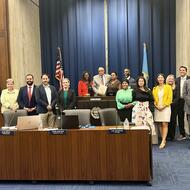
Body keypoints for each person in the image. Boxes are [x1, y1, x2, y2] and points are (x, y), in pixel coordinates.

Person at [152, 73, 172, 149]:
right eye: (159, 78)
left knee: (164, 123)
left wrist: (163, 106)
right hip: (157, 108)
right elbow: (153, 99)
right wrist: (157, 106)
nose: (160, 79)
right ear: (157, 79)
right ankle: (163, 139)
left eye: (161, 78)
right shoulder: (155, 88)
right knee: (160, 123)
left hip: (166, 107)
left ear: (164, 79)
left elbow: (170, 98)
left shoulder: (168, 87)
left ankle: (163, 140)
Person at [176, 66, 190, 140]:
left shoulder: (189, 79)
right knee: (180, 118)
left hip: (188, 101)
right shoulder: (177, 80)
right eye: (180, 70)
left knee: (188, 118)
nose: (182, 71)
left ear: (186, 71)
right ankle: (182, 134)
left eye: (183, 70)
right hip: (180, 101)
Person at [166, 74, 179, 141]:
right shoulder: (165, 87)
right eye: (169, 79)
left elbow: (177, 97)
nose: (171, 80)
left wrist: (171, 103)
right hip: (166, 107)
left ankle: (172, 136)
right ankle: (166, 135)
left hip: (174, 106)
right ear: (167, 80)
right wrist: (167, 103)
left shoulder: (176, 87)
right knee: (166, 121)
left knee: (173, 121)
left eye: (172, 79)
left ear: (173, 80)